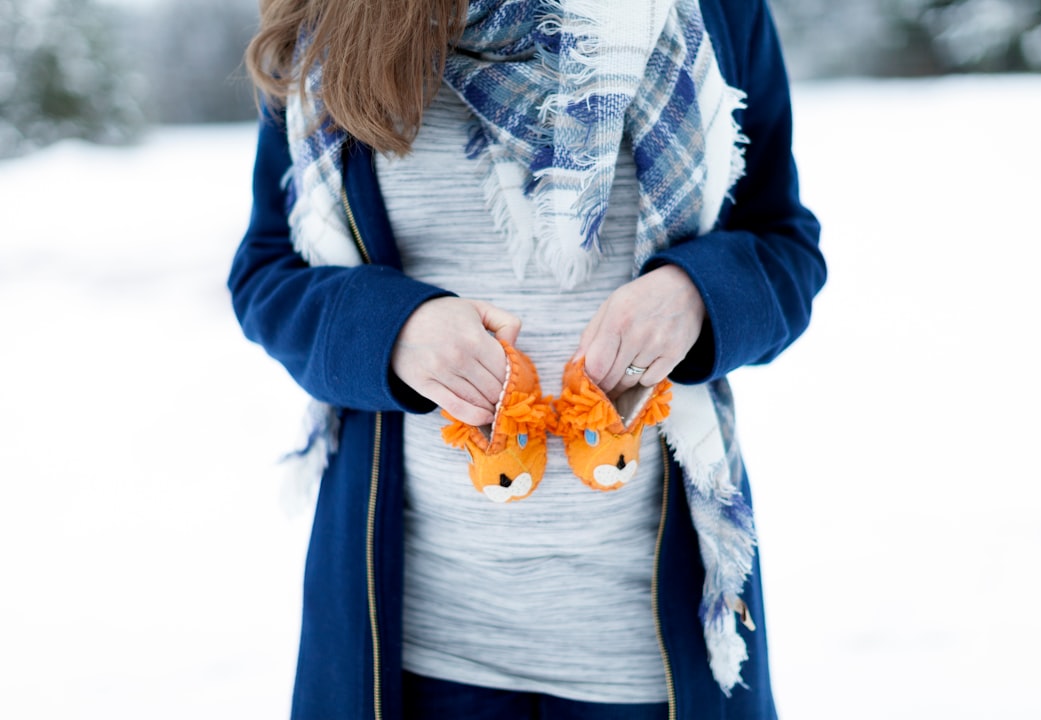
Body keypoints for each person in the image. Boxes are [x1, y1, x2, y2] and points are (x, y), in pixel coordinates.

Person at [230, 0, 825, 718]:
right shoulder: (332, 19)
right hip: (414, 647)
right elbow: (266, 274)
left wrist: (698, 295)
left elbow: (784, 246)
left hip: (646, 651)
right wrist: (392, 329)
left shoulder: (712, 11)